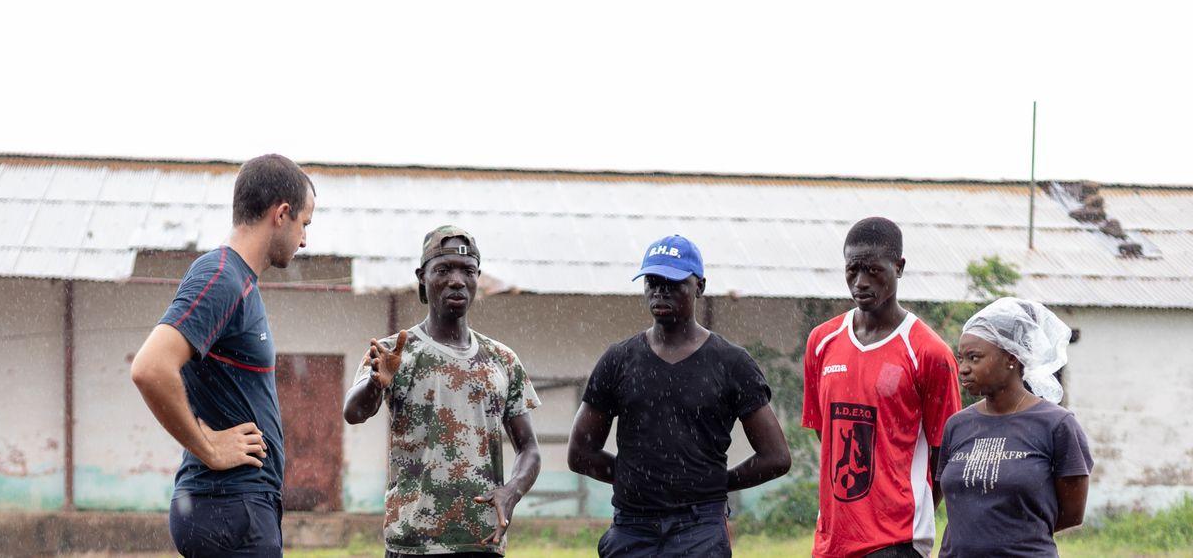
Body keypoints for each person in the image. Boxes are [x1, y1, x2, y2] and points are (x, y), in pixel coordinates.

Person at [130, 154, 316, 557]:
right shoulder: (220, 276)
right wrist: (209, 448)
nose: (305, 240)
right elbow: (150, 367)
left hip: (237, 506)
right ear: (281, 214)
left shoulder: (238, 280)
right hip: (229, 505)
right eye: (305, 224)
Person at [568, 234, 791, 558]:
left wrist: (715, 484)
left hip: (699, 530)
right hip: (632, 529)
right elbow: (580, 454)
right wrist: (640, 481)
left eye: (673, 282)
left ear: (699, 286)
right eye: (652, 281)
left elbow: (776, 457)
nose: (660, 290)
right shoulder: (619, 359)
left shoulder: (731, 363)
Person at [343, 226, 542, 558]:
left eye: (468, 271)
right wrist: (376, 384)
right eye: (444, 269)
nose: (457, 280)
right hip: (413, 543)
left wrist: (512, 491)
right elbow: (354, 413)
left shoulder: (502, 360)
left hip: (481, 542)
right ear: (423, 277)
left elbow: (529, 449)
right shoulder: (395, 352)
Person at [802, 217, 962, 558]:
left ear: (899, 267)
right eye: (852, 270)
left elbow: (944, 452)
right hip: (832, 541)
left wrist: (909, 514)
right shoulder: (821, 341)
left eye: (873, 271)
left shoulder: (928, 353)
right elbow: (826, 433)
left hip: (896, 542)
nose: (860, 282)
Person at [938, 298, 1093, 557]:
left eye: (974, 358)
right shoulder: (957, 425)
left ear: (1011, 357)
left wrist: (1011, 538)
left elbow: (1071, 514)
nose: (963, 369)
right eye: (961, 358)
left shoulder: (1056, 425)